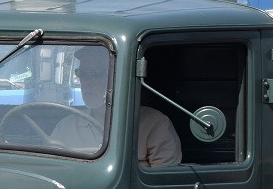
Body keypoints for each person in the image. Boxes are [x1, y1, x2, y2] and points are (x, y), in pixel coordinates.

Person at [52, 49, 182, 167]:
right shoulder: (65, 127)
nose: (87, 82)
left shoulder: (155, 124)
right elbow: (52, 173)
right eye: (82, 74)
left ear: (119, 77)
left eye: (97, 73)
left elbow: (159, 184)